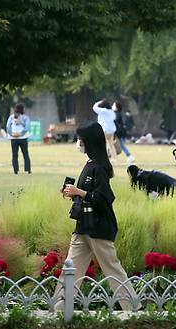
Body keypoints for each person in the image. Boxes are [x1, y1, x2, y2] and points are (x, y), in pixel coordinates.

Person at [55, 121, 137, 311]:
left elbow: (103, 199)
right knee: (71, 268)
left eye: (80, 140)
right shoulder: (90, 163)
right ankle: (60, 307)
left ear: (89, 142)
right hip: (83, 225)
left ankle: (132, 308)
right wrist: (73, 192)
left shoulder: (99, 168)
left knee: (112, 268)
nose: (78, 143)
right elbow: (86, 193)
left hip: (99, 227)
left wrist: (80, 192)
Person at [6, 103, 31, 174]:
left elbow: (8, 127)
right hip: (23, 138)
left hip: (13, 138)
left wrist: (12, 134)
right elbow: (27, 127)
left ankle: (15, 170)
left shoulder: (11, 117)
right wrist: (21, 133)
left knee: (14, 155)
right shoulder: (25, 118)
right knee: (25, 154)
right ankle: (27, 170)